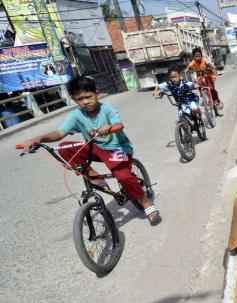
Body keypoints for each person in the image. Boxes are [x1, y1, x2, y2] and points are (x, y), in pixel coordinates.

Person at [19, 76, 161, 225]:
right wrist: (39, 139)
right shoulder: (76, 115)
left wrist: (109, 128)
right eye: (80, 99)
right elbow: (60, 133)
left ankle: (145, 201)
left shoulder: (107, 110)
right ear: (74, 100)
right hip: (95, 147)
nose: (85, 102)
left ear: (97, 94)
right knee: (64, 147)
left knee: (123, 177)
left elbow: (119, 125)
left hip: (117, 148)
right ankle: (93, 174)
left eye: (88, 97)